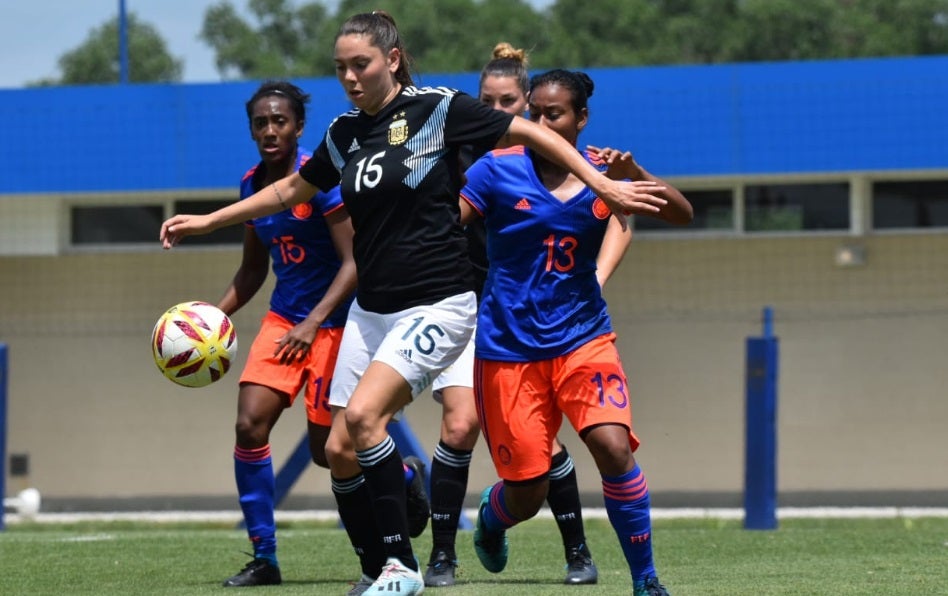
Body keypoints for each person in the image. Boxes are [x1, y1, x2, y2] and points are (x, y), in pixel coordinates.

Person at [160, 12, 669, 596]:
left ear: (393, 59)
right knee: (338, 450)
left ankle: (404, 566)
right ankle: (377, 565)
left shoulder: (438, 109)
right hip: (372, 311)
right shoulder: (345, 133)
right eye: (341, 68)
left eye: (362, 64)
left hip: (438, 303)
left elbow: (528, 133)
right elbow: (290, 189)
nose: (350, 77)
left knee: (366, 418)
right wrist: (209, 220)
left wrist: (601, 184)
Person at [460, 69, 692, 596]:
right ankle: (494, 520)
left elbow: (681, 214)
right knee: (526, 492)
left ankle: (646, 581)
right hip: (508, 351)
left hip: (584, 341)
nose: (541, 122)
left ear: (581, 119)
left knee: (613, 448)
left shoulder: (602, 177)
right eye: (534, 113)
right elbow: (449, 219)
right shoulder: (496, 170)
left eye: (554, 113)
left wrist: (635, 172)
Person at [423, 42, 631, 588]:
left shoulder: (555, 158)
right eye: (487, 102)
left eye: (510, 102)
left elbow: (618, 213)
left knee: (553, 447)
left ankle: (577, 551)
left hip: (531, 320)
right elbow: (432, 224)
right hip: (460, 308)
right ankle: (443, 554)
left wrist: (597, 278)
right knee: (461, 423)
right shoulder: (456, 155)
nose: (501, 114)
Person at [216, 80, 357, 587]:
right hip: (283, 323)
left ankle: (402, 480)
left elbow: (353, 264)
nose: (270, 129)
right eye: (261, 122)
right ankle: (264, 558)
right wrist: (215, 317)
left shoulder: (320, 178)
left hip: (334, 323)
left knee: (327, 453)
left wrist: (314, 321)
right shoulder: (252, 185)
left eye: (280, 121)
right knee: (249, 425)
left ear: (298, 127)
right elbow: (254, 270)